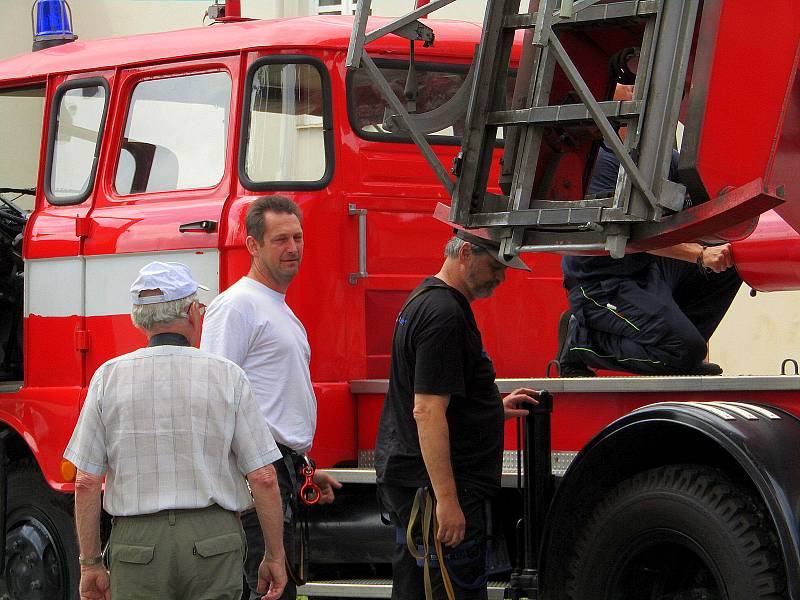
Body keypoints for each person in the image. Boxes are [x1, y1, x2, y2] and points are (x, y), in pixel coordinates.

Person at [64, 261, 287, 600]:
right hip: (213, 540)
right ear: (191, 314)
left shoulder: (108, 377)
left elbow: (86, 481)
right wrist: (274, 555)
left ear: (140, 319)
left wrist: (90, 563)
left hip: (137, 547)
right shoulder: (227, 375)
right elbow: (264, 477)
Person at [375, 230, 541, 600]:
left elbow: (435, 399)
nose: (501, 277)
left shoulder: (423, 301)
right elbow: (427, 410)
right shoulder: (444, 315)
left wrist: (490, 410)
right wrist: (447, 501)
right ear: (465, 252)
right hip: (440, 492)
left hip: (420, 485)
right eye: (495, 266)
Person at [200, 195, 341, 600]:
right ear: (252, 245)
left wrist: (303, 468)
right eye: (280, 239)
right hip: (257, 474)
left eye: (298, 237)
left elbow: (274, 402)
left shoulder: (276, 307)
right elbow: (215, 399)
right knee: (264, 589)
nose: (293, 247)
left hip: (279, 469)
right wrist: (253, 478)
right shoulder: (237, 306)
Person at [557, 143, 742, 377]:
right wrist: (700, 254)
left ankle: (681, 349)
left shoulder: (668, 161)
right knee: (684, 350)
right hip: (600, 282)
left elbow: (705, 209)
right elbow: (629, 233)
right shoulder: (602, 162)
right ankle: (580, 342)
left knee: (730, 260)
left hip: (646, 268)